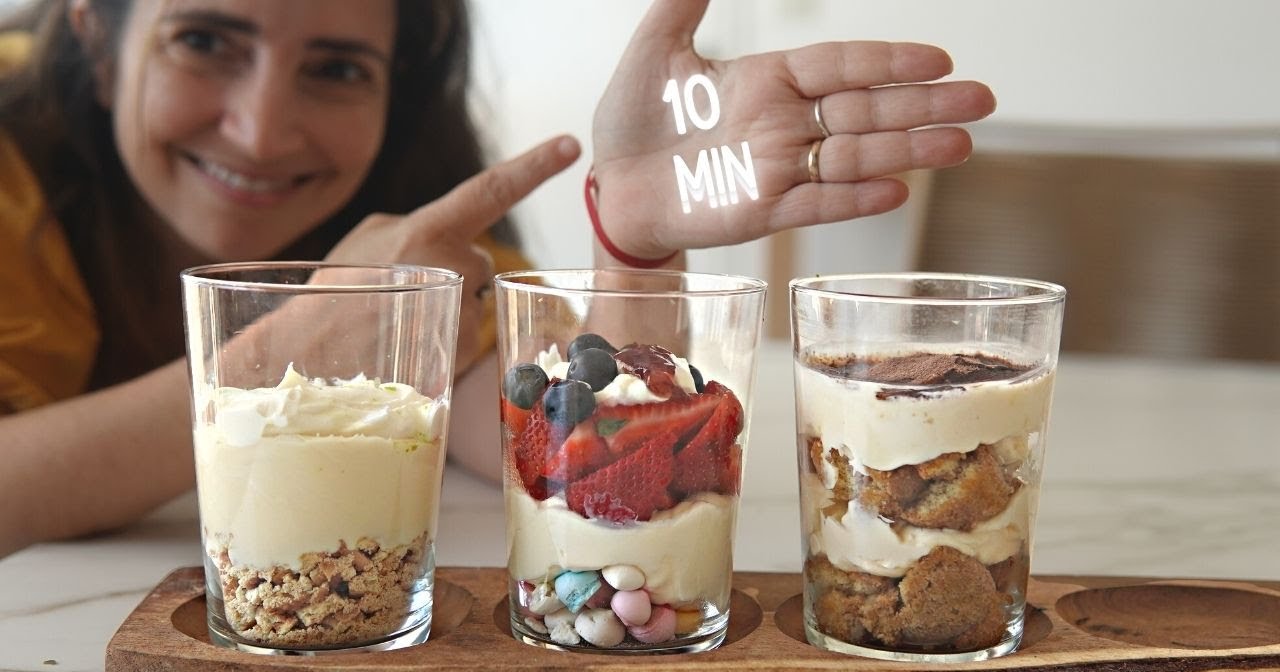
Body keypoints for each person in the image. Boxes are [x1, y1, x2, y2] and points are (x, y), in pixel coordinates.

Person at [0, 0, 995, 558]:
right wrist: (290, 351)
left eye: (336, 69)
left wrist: (634, 243)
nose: (261, 130)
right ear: (95, 41)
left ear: (395, 96)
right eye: (204, 41)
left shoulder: (416, 240)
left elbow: (590, 454)